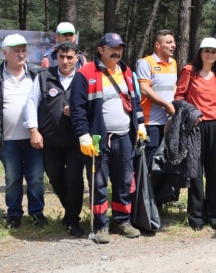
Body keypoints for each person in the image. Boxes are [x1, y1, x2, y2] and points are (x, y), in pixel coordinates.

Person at [70, 33, 145, 242]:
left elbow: (135, 102)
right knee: (98, 183)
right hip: (97, 139)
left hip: (125, 137)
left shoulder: (127, 71)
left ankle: (123, 221)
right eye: (112, 47)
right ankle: (101, 224)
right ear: (100, 49)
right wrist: (83, 135)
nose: (117, 51)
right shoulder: (85, 73)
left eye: (120, 47)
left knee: (123, 182)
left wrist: (141, 126)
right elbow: (77, 110)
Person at [24, 41, 84, 236]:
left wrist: (76, 112)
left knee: (75, 181)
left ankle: (73, 221)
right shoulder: (44, 77)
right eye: (62, 57)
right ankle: (70, 212)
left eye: (70, 57)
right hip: (50, 141)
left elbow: (92, 107)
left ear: (77, 58)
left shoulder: (83, 78)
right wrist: (33, 130)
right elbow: (31, 103)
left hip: (76, 141)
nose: (65, 61)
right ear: (56, 57)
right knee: (56, 179)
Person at [175, 37, 216, 231]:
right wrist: (191, 113)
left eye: (213, 52)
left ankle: (215, 215)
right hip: (194, 126)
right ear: (200, 52)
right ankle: (196, 216)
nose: (209, 54)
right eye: (206, 50)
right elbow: (179, 97)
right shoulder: (189, 71)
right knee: (195, 171)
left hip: (215, 126)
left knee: (214, 171)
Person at [0, 34, 42, 229]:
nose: (21, 54)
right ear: (4, 53)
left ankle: (37, 213)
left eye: (23, 50)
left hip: (34, 137)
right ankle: (14, 214)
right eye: (16, 50)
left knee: (35, 178)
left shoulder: (36, 74)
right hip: (7, 139)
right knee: (12, 178)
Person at [135, 29, 177, 169]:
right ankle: (141, 191)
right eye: (169, 42)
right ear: (158, 45)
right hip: (150, 122)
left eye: (173, 42)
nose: (173, 45)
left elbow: (173, 86)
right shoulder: (146, 63)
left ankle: (158, 191)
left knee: (164, 162)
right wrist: (166, 104)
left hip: (169, 122)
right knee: (147, 161)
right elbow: (144, 89)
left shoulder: (173, 63)